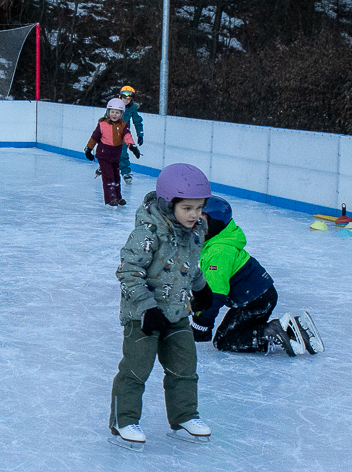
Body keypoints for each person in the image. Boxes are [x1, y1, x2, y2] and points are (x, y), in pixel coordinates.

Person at [108, 163, 213, 450]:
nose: (195, 215)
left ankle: (184, 417)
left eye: (199, 208)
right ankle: (123, 420)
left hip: (177, 311)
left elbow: (190, 264)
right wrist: (147, 308)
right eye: (187, 208)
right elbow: (128, 272)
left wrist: (201, 288)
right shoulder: (148, 233)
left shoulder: (196, 230)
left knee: (184, 366)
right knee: (136, 369)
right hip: (143, 315)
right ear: (169, 204)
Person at [190, 196, 322, 356]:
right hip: (259, 295)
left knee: (224, 340)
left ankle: (273, 331)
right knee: (239, 330)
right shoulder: (218, 241)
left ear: (215, 223)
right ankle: (292, 329)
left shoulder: (219, 252)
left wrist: (203, 323)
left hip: (255, 301)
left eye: (200, 221)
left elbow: (215, 294)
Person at [85, 98, 139, 207]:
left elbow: (127, 136)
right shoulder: (102, 124)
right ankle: (111, 198)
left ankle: (118, 197)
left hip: (115, 155)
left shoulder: (123, 125)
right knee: (108, 176)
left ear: (121, 114)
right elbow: (94, 137)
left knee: (116, 176)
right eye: (112, 112)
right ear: (108, 112)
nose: (114, 115)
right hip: (103, 154)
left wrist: (132, 146)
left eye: (117, 112)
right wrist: (89, 149)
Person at [118, 86, 145, 184]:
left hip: (124, 134)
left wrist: (140, 135)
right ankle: (104, 167)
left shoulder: (132, 108)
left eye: (128, 99)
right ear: (120, 97)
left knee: (123, 153)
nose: (126, 101)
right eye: (124, 98)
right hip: (111, 133)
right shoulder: (115, 105)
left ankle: (125, 172)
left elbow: (137, 121)